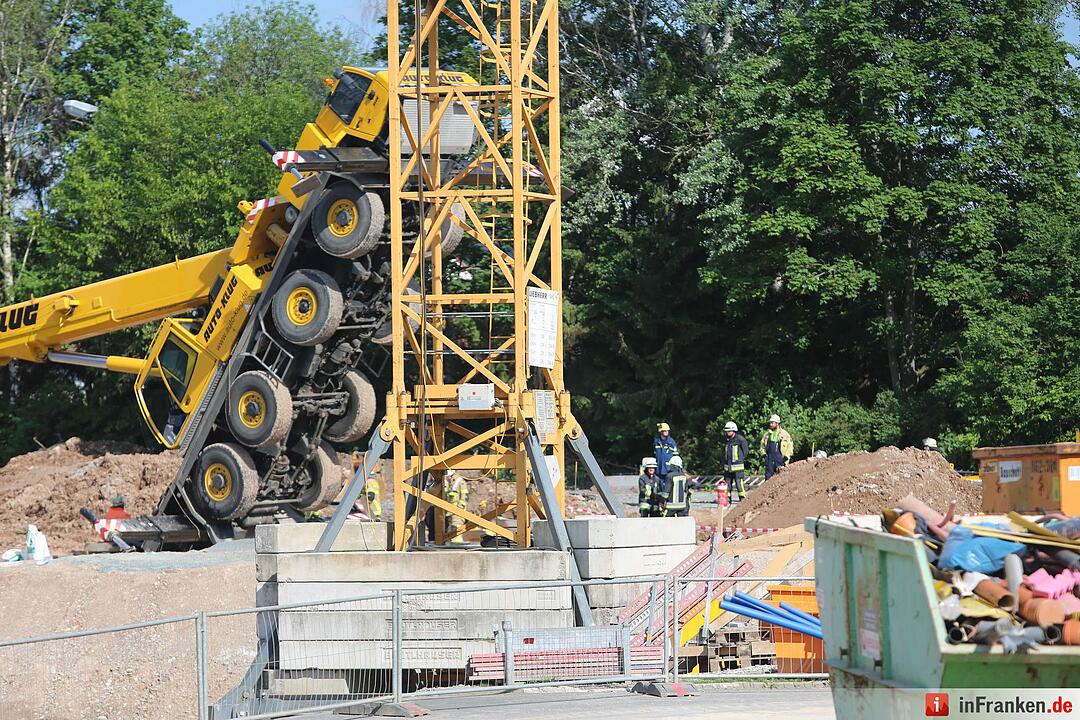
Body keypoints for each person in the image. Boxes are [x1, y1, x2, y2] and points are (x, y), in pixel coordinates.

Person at [759, 414, 794, 481]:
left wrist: (786, 457)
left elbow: (790, 446)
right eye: (770, 423)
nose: (770, 424)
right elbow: (762, 446)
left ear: (777, 423)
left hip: (780, 460)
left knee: (781, 479)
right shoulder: (767, 435)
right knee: (768, 479)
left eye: (772, 423)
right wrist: (764, 455)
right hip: (769, 460)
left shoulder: (784, 434)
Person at [723, 421, 749, 504]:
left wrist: (739, 460)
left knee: (739, 483)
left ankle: (742, 498)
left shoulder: (740, 440)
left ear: (733, 430)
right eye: (726, 431)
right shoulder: (727, 440)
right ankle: (728, 499)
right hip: (728, 467)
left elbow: (745, 452)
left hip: (738, 467)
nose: (727, 432)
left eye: (729, 431)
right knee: (727, 484)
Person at [445, 469, 469, 544]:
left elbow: (464, 496)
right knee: (451, 528)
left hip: (457, 512)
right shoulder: (450, 482)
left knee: (456, 528)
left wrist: (459, 508)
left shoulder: (459, 481)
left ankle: (456, 545)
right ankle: (452, 544)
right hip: (450, 512)